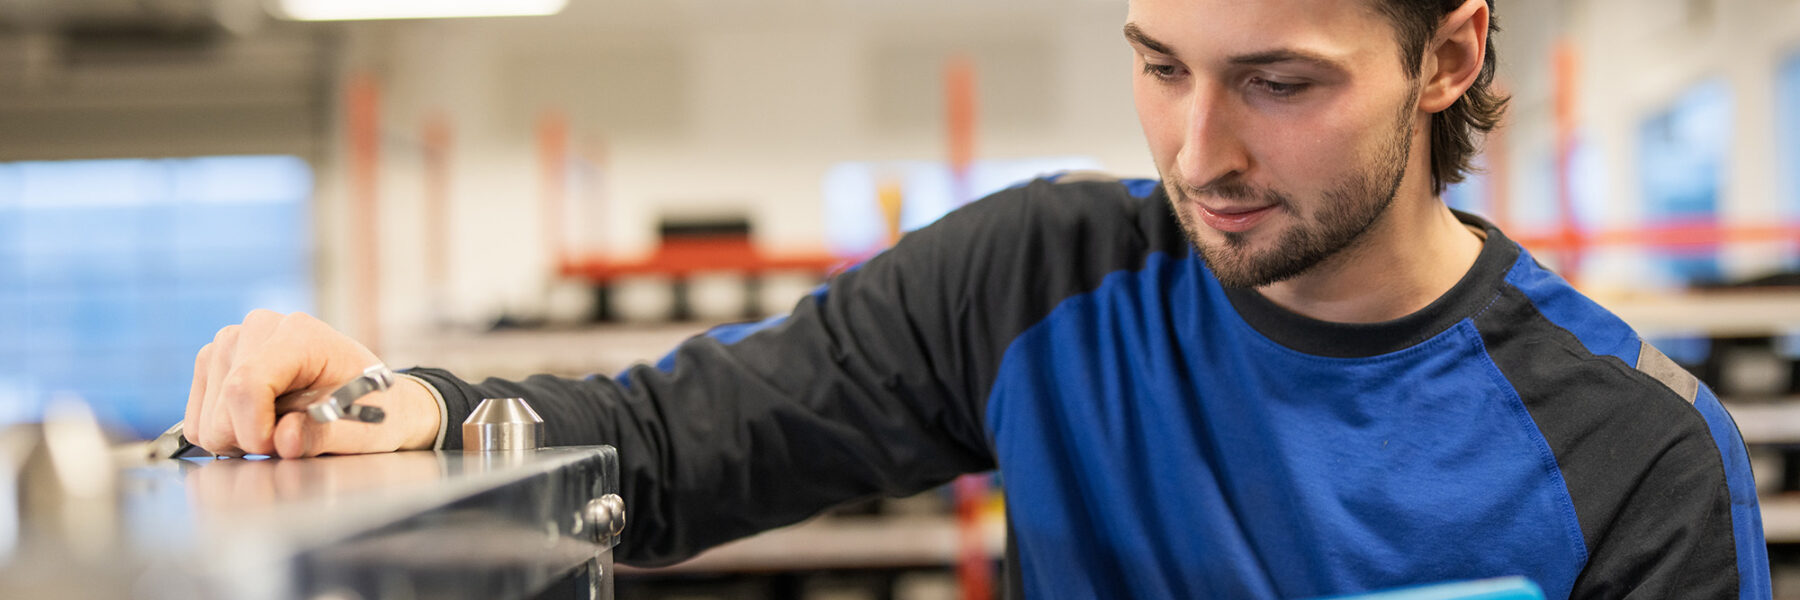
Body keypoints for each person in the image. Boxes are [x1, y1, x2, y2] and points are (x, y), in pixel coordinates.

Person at [184, 0, 1772, 597]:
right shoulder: (1038, 280)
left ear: (1450, 56)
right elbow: (667, 449)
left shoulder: (1635, 452)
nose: (1198, 150)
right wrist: (393, 400)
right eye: (1159, 67)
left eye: (1279, 83)